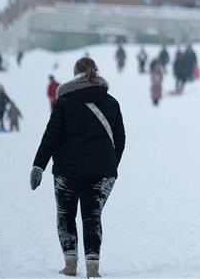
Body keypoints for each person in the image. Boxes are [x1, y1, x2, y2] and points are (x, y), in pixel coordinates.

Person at [30, 57, 125, 278]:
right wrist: (110, 164)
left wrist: (38, 166)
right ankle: (93, 269)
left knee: (66, 215)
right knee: (92, 216)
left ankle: (70, 264)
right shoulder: (111, 103)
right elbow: (120, 140)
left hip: (67, 170)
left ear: (75, 75)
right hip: (102, 172)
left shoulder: (64, 103)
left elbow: (51, 137)